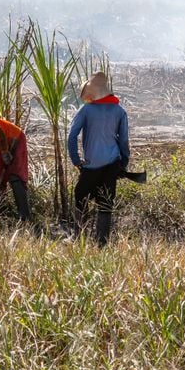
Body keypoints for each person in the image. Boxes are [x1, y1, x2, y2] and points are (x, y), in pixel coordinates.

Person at [66, 72, 129, 246]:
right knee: (106, 200)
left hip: (91, 164)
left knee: (80, 195)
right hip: (112, 162)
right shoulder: (119, 111)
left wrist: (76, 160)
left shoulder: (86, 110)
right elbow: (123, 140)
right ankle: (102, 242)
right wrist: (123, 163)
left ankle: (79, 237)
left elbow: (72, 136)